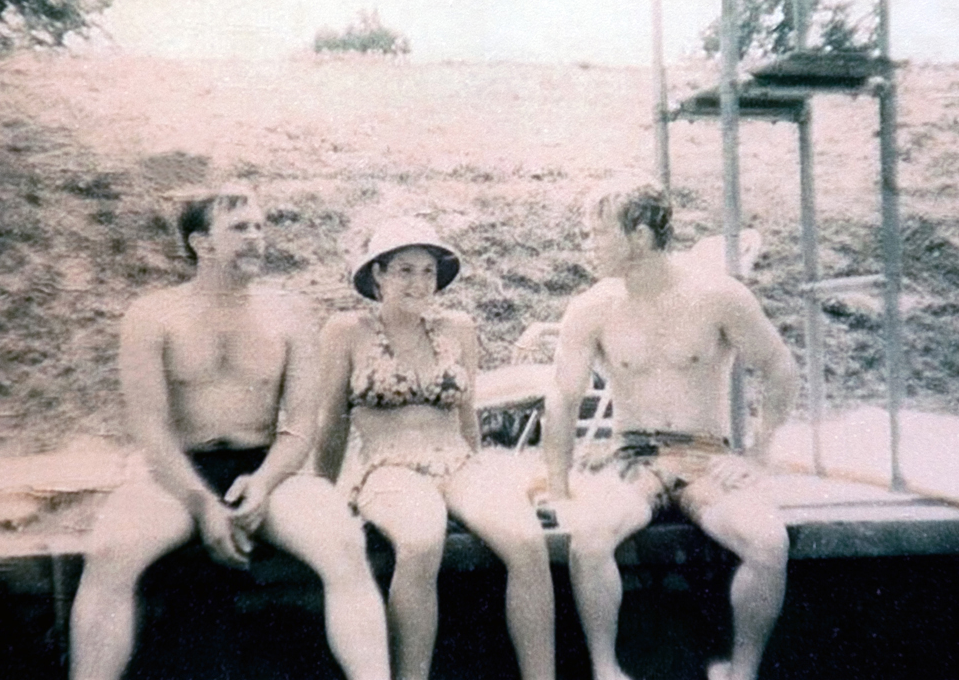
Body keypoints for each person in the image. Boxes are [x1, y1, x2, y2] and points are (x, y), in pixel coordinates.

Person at [70, 183, 390, 680]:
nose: (257, 238)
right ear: (202, 243)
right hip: (176, 476)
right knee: (112, 550)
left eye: (260, 226)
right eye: (240, 228)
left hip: (264, 468)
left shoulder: (289, 313)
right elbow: (151, 430)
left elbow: (300, 427)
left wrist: (262, 483)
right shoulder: (153, 315)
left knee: (344, 543)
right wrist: (202, 505)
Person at [543, 181, 799, 680]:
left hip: (705, 455)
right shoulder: (592, 307)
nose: (587, 243)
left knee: (769, 541)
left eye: (597, 233)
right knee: (590, 535)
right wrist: (557, 488)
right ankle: (606, 670)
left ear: (639, 235)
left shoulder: (718, 295)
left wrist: (757, 454)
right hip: (632, 456)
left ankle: (741, 673)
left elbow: (780, 368)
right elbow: (562, 398)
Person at [315, 216, 555, 680]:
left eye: (428, 271)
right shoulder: (346, 331)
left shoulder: (457, 327)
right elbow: (333, 421)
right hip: (388, 465)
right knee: (422, 541)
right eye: (404, 270)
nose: (419, 282)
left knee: (527, 541)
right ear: (377, 275)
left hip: (458, 463)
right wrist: (322, 495)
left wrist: (484, 474)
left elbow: (467, 417)